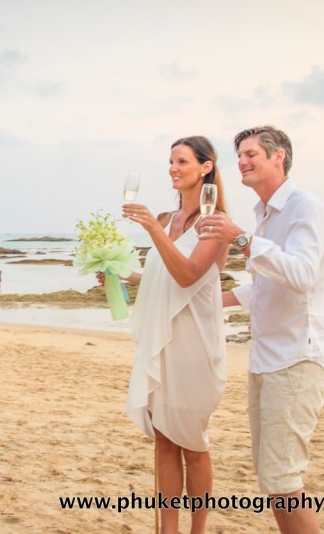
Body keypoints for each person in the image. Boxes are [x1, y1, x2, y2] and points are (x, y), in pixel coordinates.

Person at [202, 125, 324, 534]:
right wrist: (202, 301)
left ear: (280, 157)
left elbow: (302, 273)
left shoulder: (305, 207)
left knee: (283, 479)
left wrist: (241, 240)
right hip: (266, 358)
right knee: (273, 479)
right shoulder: (263, 213)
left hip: (296, 357)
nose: (241, 161)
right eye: (239, 154)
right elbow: (264, 285)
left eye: (251, 153)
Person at [112, 136, 229, 533]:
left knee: (193, 444)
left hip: (195, 347)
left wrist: (150, 228)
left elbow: (188, 275)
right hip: (162, 341)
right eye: (171, 162)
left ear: (205, 167)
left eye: (181, 161)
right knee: (164, 442)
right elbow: (161, 279)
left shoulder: (215, 223)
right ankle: (168, 529)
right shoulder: (165, 219)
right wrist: (124, 275)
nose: (173, 169)